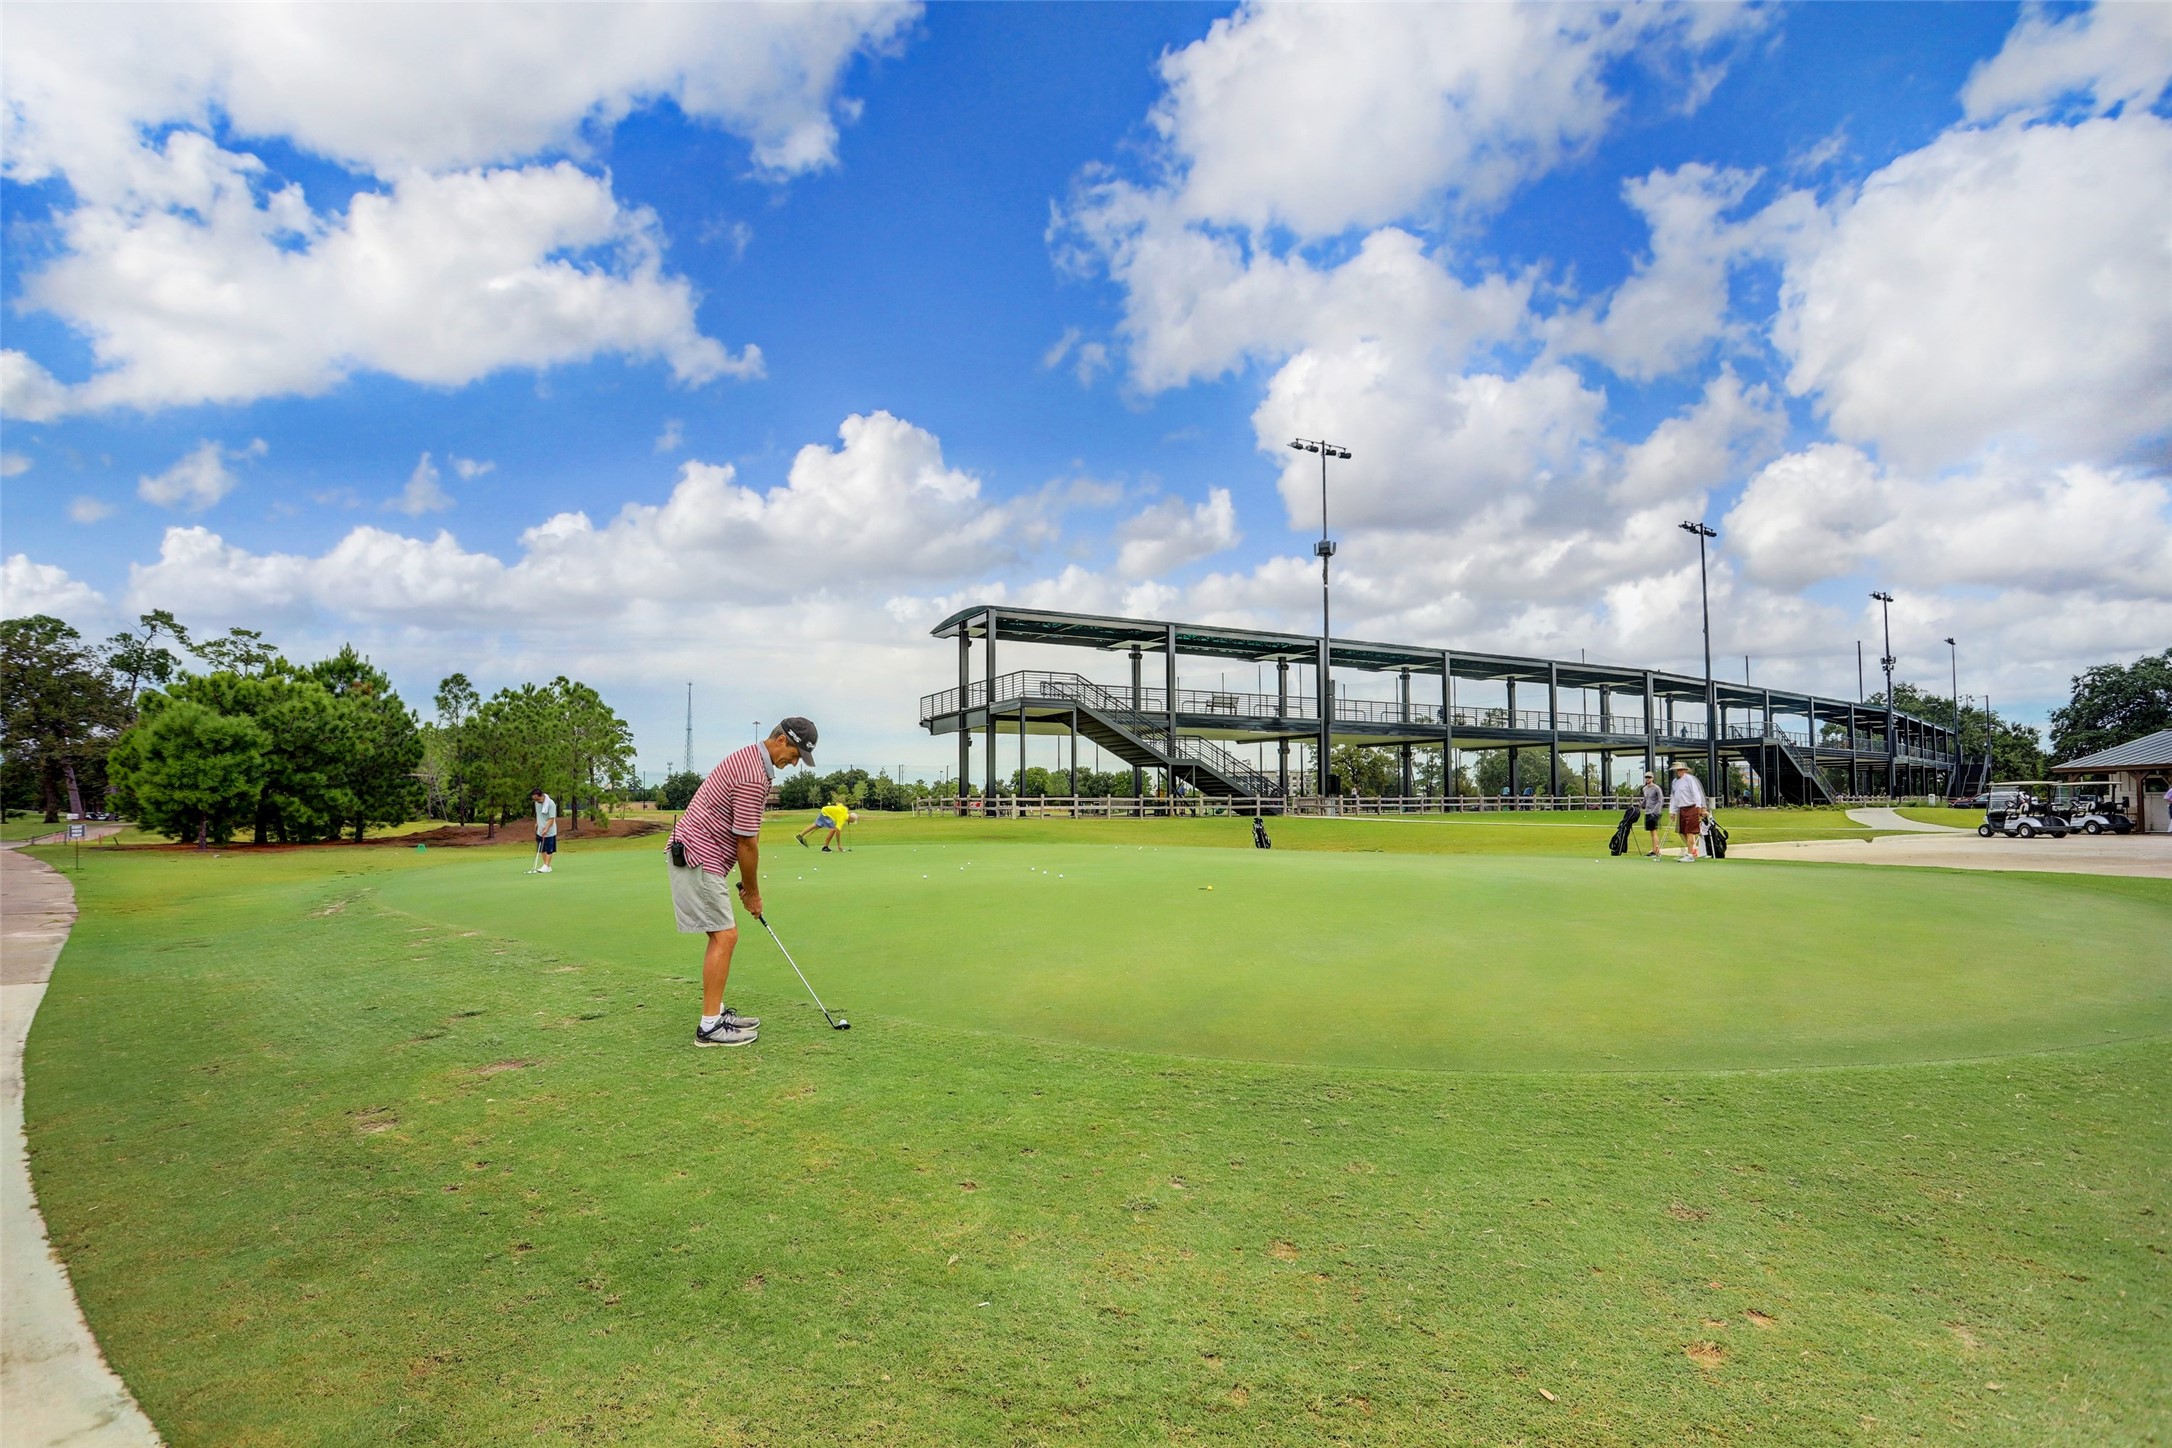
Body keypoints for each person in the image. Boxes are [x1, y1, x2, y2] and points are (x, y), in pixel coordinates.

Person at [670, 716, 817, 1047]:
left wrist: (744, 884)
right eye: (794, 755)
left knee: (721, 934)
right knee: (725, 935)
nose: (793, 764)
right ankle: (709, 1026)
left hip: (697, 853)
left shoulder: (750, 758)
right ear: (781, 740)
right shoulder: (753, 775)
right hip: (697, 856)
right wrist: (752, 892)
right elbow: (747, 842)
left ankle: (715, 1012)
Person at [1669, 759, 1708, 862]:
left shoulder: (1690, 779)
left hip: (1691, 807)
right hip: (1681, 809)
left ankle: (1690, 854)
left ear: (1685, 770)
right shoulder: (1675, 782)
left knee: (1690, 832)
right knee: (1683, 832)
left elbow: (1696, 794)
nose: (1679, 772)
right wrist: (1672, 811)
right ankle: (1691, 850)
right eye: (1677, 770)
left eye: (1681, 770)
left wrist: (1699, 808)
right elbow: (1674, 797)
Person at [527, 787, 557, 874]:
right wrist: (537, 823)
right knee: (541, 849)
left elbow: (551, 819)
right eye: (534, 800)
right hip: (540, 830)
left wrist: (546, 828)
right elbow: (539, 814)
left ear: (541, 796)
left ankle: (546, 866)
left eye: (537, 799)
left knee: (549, 849)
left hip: (550, 831)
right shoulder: (537, 803)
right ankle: (546, 866)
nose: (536, 801)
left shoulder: (551, 804)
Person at [1638, 770, 1666, 857]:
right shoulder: (1644, 789)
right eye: (1646, 777)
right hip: (1647, 812)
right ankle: (1654, 850)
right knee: (1651, 832)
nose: (1647, 779)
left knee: (1654, 832)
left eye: (1649, 777)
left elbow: (1660, 801)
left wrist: (1656, 811)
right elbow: (1646, 800)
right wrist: (1642, 804)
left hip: (1655, 813)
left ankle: (1656, 851)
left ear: (1652, 778)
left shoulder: (1656, 788)